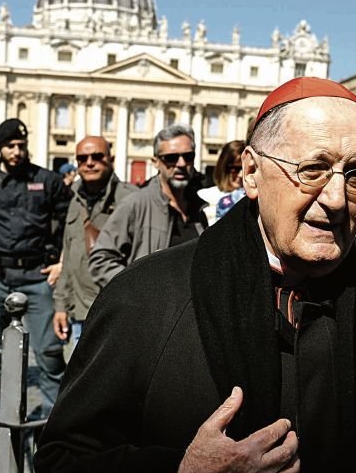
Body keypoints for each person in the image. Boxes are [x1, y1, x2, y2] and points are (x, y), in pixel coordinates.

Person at [36, 77, 356, 473]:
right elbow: (65, 462)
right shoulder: (148, 296)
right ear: (251, 173)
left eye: (355, 176)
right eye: (312, 169)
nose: (336, 199)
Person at [0, 119, 71, 418]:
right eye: (10, 146)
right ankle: (0, 415)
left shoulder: (48, 181)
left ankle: (51, 422)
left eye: (20, 145)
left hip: (38, 275)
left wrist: (63, 263)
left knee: (49, 352)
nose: (16, 151)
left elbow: (73, 226)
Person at [89, 124, 208, 286]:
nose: (181, 164)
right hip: (152, 308)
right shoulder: (135, 204)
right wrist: (138, 291)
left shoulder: (200, 208)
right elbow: (100, 260)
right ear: (156, 162)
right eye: (171, 158)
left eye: (188, 156)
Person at [52, 136, 136, 347]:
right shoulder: (73, 199)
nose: (89, 163)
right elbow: (69, 257)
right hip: (80, 312)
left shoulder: (132, 199)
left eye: (97, 156)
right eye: (82, 158)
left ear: (111, 159)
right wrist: (60, 305)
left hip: (119, 314)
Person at [198, 139, 246, 222]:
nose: (241, 174)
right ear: (223, 167)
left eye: (245, 169)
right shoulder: (203, 196)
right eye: (235, 168)